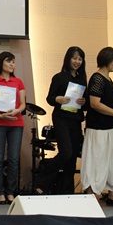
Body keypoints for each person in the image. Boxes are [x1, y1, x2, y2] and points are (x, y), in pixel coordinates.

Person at [80, 47, 113, 206]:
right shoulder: (97, 78)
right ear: (106, 60)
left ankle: (112, 193)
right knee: (97, 159)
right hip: (98, 127)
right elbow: (95, 103)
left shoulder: (108, 79)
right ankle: (90, 192)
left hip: (110, 127)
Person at [35, 46, 87, 195]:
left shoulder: (82, 79)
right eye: (74, 58)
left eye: (80, 59)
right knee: (66, 152)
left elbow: (86, 105)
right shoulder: (59, 77)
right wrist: (59, 99)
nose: (77, 61)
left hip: (75, 119)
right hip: (61, 118)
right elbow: (50, 98)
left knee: (72, 157)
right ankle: (42, 182)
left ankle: (67, 190)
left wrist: (84, 102)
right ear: (68, 59)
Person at [0, 51, 26, 205]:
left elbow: (23, 104)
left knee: (14, 159)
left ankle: (10, 192)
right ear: (1, 62)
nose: (11, 64)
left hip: (16, 123)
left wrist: (17, 110)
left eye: (13, 62)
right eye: (9, 61)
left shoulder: (18, 82)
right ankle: (0, 192)